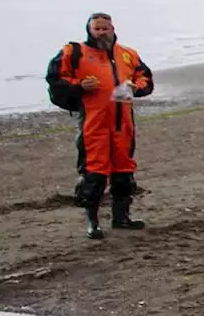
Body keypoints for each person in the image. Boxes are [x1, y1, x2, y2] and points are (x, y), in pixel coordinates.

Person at [45, 12, 154, 240]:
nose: (102, 32)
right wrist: (79, 86)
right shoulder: (74, 53)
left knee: (124, 172)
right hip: (93, 124)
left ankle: (121, 217)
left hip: (123, 123)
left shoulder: (127, 54)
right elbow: (55, 79)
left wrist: (136, 87)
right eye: (98, 28)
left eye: (106, 28)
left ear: (113, 28)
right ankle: (92, 222)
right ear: (90, 30)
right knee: (94, 174)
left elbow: (146, 78)